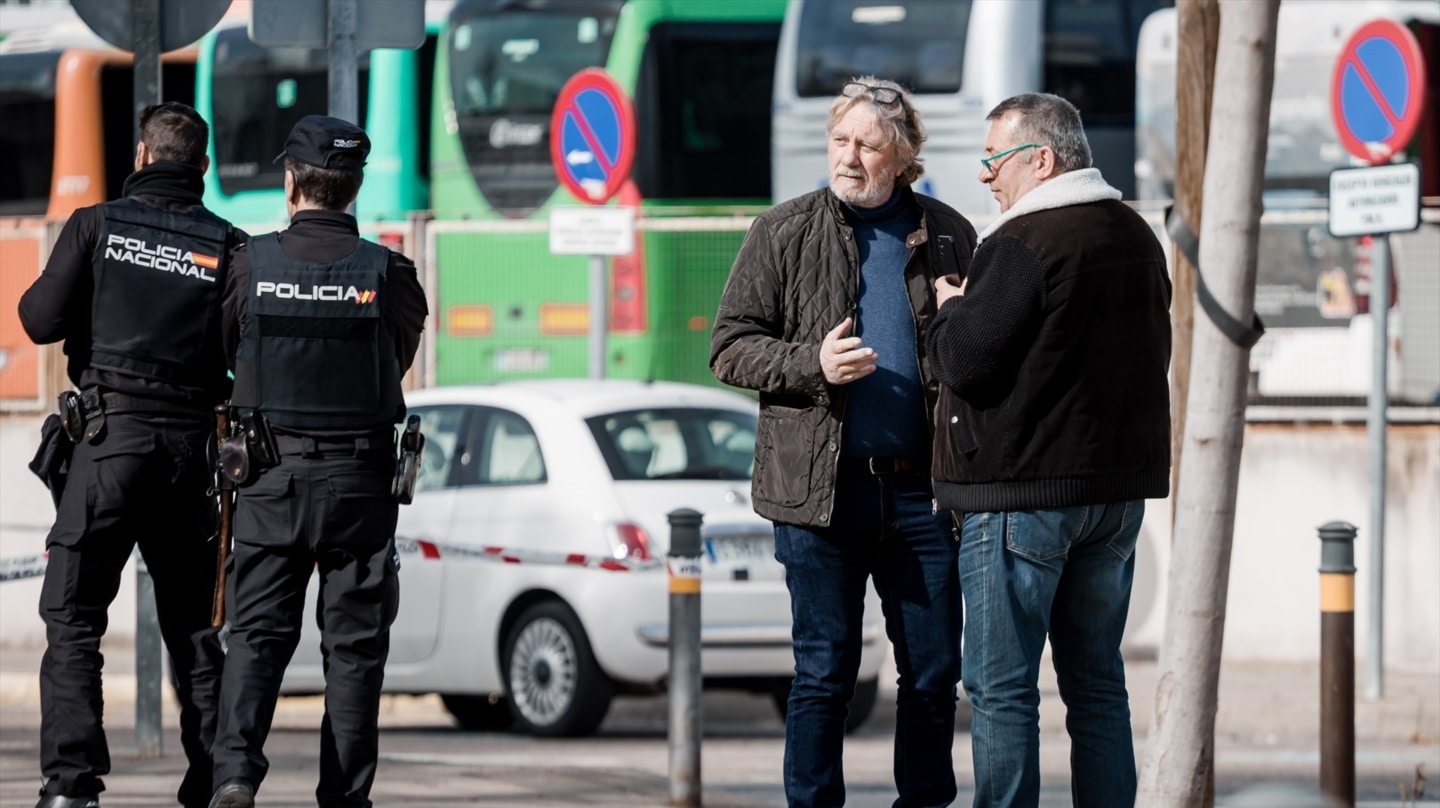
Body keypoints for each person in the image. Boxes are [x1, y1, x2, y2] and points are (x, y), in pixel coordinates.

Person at [711, 77, 975, 808]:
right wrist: (811, 365)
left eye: (868, 143)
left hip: (923, 495)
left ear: (904, 156)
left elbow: (979, 356)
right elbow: (730, 347)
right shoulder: (783, 229)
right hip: (818, 493)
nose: (849, 156)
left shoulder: (949, 232)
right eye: (840, 140)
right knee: (824, 672)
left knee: (931, 673)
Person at [925, 92, 1172, 807]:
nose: (984, 177)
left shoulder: (1023, 241)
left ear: (1042, 159)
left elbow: (964, 361)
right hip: (1114, 499)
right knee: (1097, 686)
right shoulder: (1134, 234)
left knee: (1002, 693)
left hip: (1023, 496)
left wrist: (952, 309)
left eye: (994, 160)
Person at [17, 102, 243, 808]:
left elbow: (37, 319)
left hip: (109, 445)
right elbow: (245, 353)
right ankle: (214, 779)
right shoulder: (229, 246)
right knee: (196, 631)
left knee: (75, 618)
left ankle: (71, 787)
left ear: (143, 156)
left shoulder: (96, 225)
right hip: (190, 457)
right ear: (201, 168)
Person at [207, 115, 427, 808]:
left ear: (292, 182)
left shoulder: (249, 262)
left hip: (269, 477)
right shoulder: (390, 271)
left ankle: (236, 774)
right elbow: (399, 356)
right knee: (355, 653)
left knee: (256, 640)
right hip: (361, 482)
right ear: (354, 186)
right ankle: (344, 796)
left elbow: (224, 352)